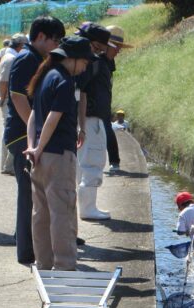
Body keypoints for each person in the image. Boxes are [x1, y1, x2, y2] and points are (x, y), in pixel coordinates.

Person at [24, 36, 94, 271]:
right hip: (59, 156)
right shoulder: (64, 81)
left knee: (41, 214)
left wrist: (33, 147)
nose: (85, 67)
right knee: (62, 213)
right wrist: (39, 147)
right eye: (84, 62)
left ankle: (43, 264)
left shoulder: (46, 76)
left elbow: (34, 115)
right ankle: (64, 266)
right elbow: (52, 119)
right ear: (72, 59)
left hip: (39, 158)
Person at [5, 17, 65, 266]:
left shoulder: (36, 58)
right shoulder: (27, 59)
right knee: (28, 194)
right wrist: (36, 132)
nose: (57, 45)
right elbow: (18, 97)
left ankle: (26, 242)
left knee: (32, 193)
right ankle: (25, 251)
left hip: (26, 134)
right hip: (22, 136)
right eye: (55, 40)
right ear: (41, 37)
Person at [75, 23, 116, 220]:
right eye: (100, 47)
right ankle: (88, 209)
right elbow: (81, 92)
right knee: (93, 163)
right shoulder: (90, 62)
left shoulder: (79, 60)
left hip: (85, 120)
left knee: (81, 164)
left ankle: (85, 207)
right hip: (90, 120)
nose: (102, 51)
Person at [0, 33, 27, 175]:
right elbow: (4, 82)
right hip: (9, 99)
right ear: (21, 45)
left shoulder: (7, 56)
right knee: (11, 131)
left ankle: (6, 165)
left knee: (8, 130)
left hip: (7, 99)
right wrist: (2, 98)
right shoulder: (12, 58)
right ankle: (8, 165)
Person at [104, 26, 132, 172]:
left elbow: (109, 81)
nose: (119, 51)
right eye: (117, 47)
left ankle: (114, 162)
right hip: (93, 107)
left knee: (107, 130)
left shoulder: (109, 61)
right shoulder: (95, 60)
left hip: (103, 104)